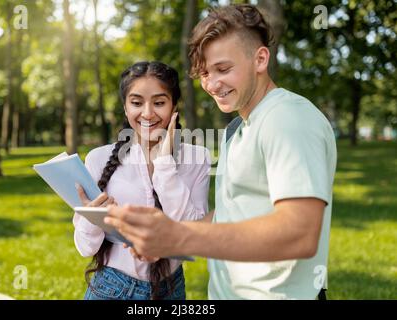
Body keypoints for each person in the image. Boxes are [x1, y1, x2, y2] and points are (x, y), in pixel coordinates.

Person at [104, 4, 337, 300]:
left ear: (260, 59)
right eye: (204, 73)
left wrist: (178, 236)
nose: (212, 84)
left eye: (223, 69)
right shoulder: (237, 130)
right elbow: (231, 213)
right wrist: (168, 242)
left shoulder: (288, 119)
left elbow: (300, 234)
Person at [73, 61, 211, 300]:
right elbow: (86, 248)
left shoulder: (197, 158)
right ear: (126, 108)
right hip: (111, 288)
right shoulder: (98, 159)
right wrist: (90, 218)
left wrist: (165, 165)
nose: (147, 113)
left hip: (171, 290)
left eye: (159, 102)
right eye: (136, 103)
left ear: (173, 106)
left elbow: (194, 237)